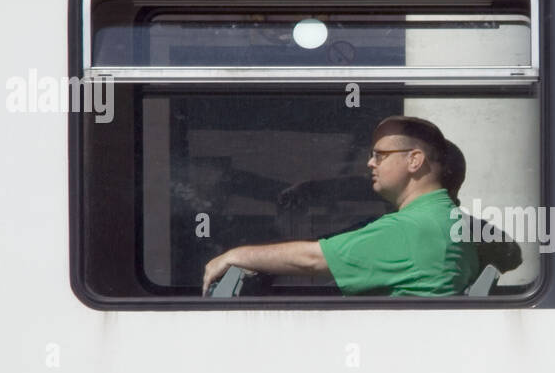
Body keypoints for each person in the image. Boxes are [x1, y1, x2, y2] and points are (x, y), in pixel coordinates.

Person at [201, 116, 478, 296]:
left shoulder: (410, 228)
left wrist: (234, 256)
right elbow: (510, 252)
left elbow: (313, 259)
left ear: (415, 161)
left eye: (380, 155)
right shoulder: (453, 221)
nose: (370, 163)